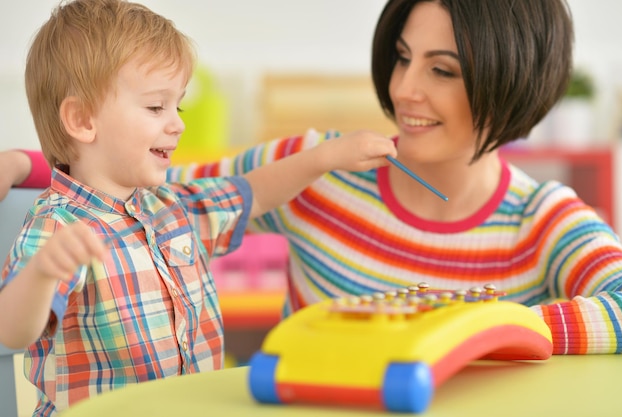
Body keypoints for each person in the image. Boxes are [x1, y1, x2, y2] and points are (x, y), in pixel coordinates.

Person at [3, 0, 622, 359]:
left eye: (443, 70)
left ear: (511, 84)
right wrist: (30, 164)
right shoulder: (321, 165)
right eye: (403, 58)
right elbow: (161, 187)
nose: (404, 89)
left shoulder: (543, 216)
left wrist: (482, 327)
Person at [0, 0, 396, 415]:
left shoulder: (173, 206)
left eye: (179, 105)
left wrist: (324, 158)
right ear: (82, 120)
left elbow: (254, 192)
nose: (178, 123)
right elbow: (13, 328)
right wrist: (43, 273)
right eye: (156, 106)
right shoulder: (57, 228)